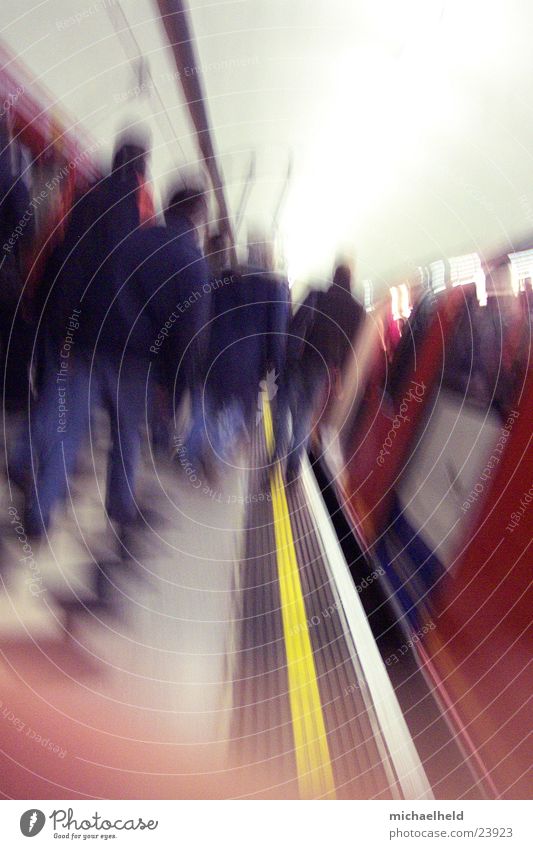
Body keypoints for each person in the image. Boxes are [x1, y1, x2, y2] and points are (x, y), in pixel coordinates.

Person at [13, 175, 208, 544]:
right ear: (198, 217)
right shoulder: (194, 265)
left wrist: (77, 340)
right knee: (126, 441)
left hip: (95, 349)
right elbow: (188, 337)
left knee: (67, 433)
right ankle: (119, 508)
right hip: (139, 370)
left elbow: (98, 287)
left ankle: (39, 512)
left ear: (168, 206)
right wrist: (174, 387)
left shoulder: (135, 239)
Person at [275, 263, 364, 480]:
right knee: (304, 416)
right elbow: (350, 347)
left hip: (297, 360)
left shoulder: (317, 294)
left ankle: (274, 456)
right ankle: (293, 467)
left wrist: (282, 353)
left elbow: (294, 323)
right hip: (320, 367)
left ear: (333, 274)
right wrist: (340, 378)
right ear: (351, 279)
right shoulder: (356, 309)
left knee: (282, 407)